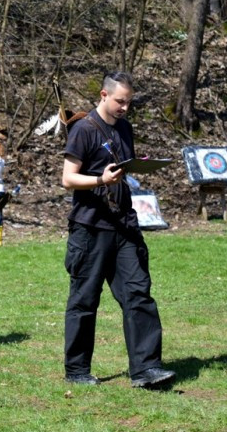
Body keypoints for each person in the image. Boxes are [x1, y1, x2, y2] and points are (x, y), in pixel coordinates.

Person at [61, 71, 175, 389]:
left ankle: (147, 369)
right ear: (103, 95)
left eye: (129, 102)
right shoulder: (83, 130)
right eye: (120, 101)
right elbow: (68, 178)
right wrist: (100, 180)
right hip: (90, 227)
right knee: (85, 299)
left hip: (124, 224)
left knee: (138, 292)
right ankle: (77, 370)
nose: (125, 107)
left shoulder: (125, 128)